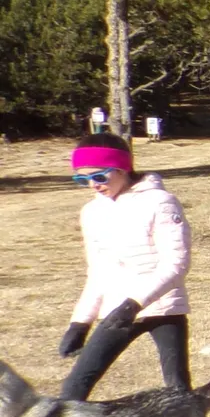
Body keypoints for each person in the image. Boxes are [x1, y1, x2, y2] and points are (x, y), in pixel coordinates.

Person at [60, 132, 194, 400]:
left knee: (178, 392)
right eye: (82, 178)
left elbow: (177, 262)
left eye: (99, 175)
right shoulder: (92, 212)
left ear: (123, 167)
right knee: (74, 388)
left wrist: (133, 304)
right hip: (116, 309)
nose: (92, 184)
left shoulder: (160, 202)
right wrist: (80, 322)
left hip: (163, 306)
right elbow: (98, 271)